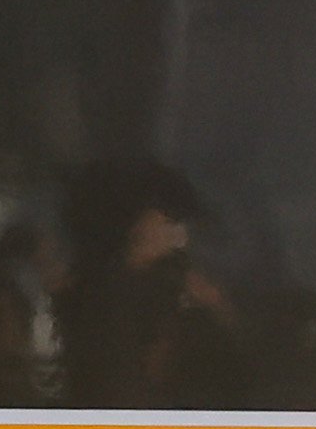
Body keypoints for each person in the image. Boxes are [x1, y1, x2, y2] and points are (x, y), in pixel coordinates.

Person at [60, 159, 246, 409]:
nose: (181, 236)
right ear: (135, 220)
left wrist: (217, 306)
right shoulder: (105, 298)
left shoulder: (179, 283)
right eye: (170, 220)